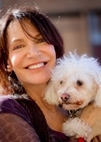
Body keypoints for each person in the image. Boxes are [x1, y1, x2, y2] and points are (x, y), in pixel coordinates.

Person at [0, 5, 101, 142]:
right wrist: (86, 126)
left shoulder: (78, 106)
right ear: (7, 63)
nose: (33, 53)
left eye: (41, 40)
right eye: (19, 46)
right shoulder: (7, 110)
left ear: (55, 48)